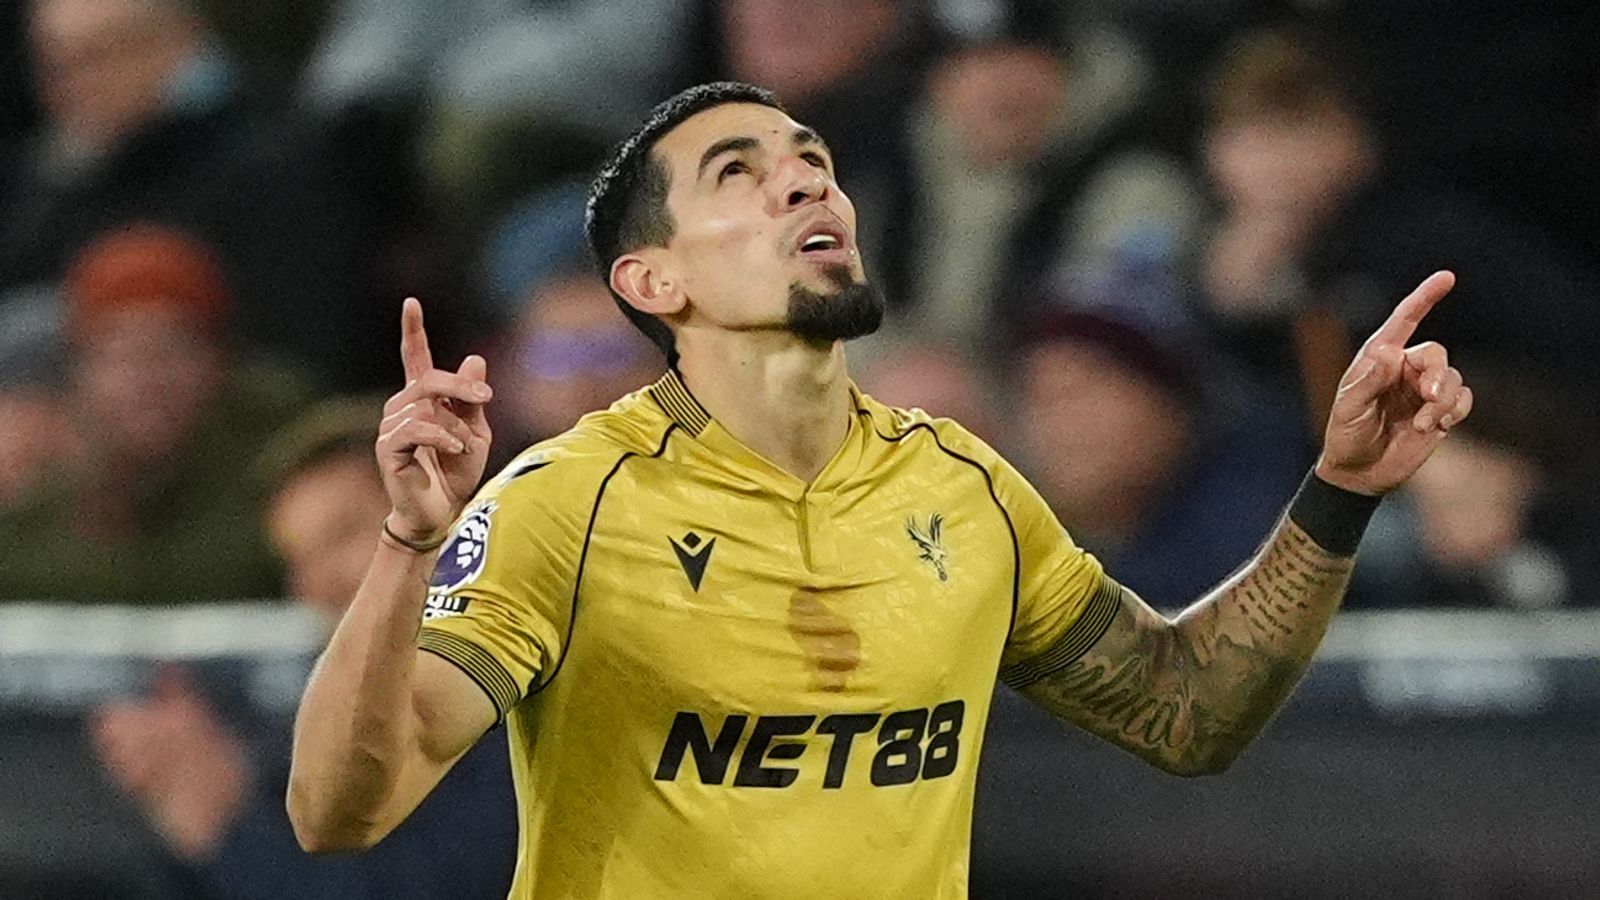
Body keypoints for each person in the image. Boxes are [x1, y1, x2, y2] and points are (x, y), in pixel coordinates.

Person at [286, 82, 1473, 898]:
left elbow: (1187, 710)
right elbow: (341, 811)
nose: (807, 187)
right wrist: (406, 543)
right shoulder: (568, 503)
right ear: (653, 281)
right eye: (741, 174)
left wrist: (1338, 489)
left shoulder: (966, 488)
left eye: (814, 164)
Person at [92, 398, 518, 898]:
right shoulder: (310, 734)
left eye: (343, 534)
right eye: (299, 560)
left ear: (449, 514)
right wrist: (194, 801)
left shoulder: (518, 695)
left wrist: (224, 827)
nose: (318, 585)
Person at [0, 223, 309, 603]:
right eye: (121, 354)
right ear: (80, 371)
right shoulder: (38, 474)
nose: (148, 380)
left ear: (220, 363)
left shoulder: (279, 452)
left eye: (173, 348)